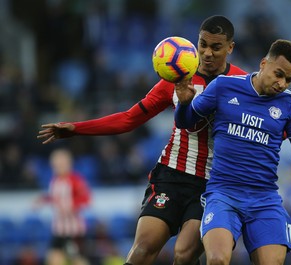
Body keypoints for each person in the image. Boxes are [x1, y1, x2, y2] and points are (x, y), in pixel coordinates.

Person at [37, 15, 247, 265]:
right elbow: (129, 118)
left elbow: (272, 126)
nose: (207, 53)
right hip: (171, 175)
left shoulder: (243, 84)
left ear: (230, 48)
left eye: (216, 47)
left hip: (211, 186)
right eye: (203, 44)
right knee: (142, 250)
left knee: (184, 254)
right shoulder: (178, 76)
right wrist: (77, 129)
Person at [174, 39, 291, 265]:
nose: (282, 83)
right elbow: (185, 122)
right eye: (279, 74)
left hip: (264, 199)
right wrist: (183, 104)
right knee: (218, 260)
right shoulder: (224, 87)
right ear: (263, 64)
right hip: (223, 194)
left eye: (290, 79)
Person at [34, 148, 91, 265]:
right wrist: (43, 200)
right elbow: (55, 198)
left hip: (73, 230)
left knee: (77, 260)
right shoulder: (54, 181)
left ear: (68, 164)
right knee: (53, 259)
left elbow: (86, 198)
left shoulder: (75, 180)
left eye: (61, 164)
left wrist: (72, 206)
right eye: (55, 165)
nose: (57, 167)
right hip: (58, 229)